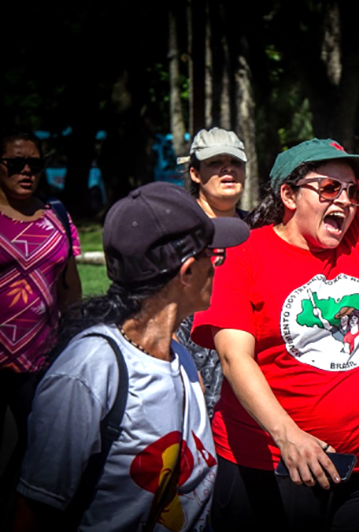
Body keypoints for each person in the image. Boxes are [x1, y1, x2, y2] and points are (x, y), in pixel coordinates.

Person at [190, 3, 359, 531]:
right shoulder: (244, 253)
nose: (347, 200)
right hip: (272, 469)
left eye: (353, 190)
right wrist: (289, 436)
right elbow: (236, 358)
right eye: (328, 188)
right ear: (288, 194)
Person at [13, 182, 249, 531]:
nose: (217, 267)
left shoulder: (180, 359)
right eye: (212, 255)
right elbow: (33, 510)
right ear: (186, 272)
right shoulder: (89, 370)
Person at [0, 131, 82, 524]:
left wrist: (78, 338)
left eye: (35, 163)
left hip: (43, 361)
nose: (27, 171)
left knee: (38, 456)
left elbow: (70, 286)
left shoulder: (57, 214)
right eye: (16, 163)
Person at [174, 128, 248, 417]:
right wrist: (183, 369)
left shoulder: (260, 229)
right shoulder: (177, 231)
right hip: (192, 378)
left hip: (248, 381)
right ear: (194, 173)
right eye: (215, 162)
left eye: (235, 162)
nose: (228, 168)